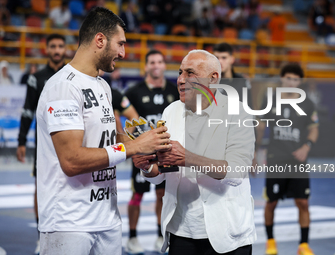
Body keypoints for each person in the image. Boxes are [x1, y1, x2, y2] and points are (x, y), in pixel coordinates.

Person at [35, 7, 170, 255]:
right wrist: (133, 147)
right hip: (69, 223)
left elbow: (106, 139)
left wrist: (141, 149)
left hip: (107, 218)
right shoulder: (62, 87)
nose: (123, 52)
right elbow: (72, 160)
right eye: (120, 44)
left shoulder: (102, 86)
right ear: (100, 40)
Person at [133, 50, 256, 254]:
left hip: (227, 231)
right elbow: (164, 172)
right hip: (181, 229)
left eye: (190, 73)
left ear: (213, 78)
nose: (181, 79)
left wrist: (187, 158)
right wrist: (147, 167)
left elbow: (236, 172)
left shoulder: (239, 112)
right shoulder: (171, 111)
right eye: (180, 72)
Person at [256, 63, 319, 255]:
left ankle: (304, 244)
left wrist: (306, 146)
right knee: (271, 202)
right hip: (276, 159)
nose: (291, 82)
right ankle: (270, 241)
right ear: (282, 78)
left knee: (303, 203)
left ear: (300, 82)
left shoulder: (307, 103)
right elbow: (260, 125)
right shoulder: (270, 99)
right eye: (288, 78)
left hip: (297, 161)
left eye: (296, 79)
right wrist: (257, 149)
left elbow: (314, 128)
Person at [124, 49, 179, 253]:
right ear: (146, 66)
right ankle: (132, 237)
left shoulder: (174, 92)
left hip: (165, 151)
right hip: (142, 153)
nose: (156, 65)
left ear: (164, 65)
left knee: (162, 194)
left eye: (159, 61)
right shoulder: (134, 91)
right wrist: (132, 143)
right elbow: (123, 114)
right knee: (137, 196)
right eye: (152, 62)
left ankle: (160, 234)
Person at [16, 33, 66, 255]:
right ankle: (41, 236)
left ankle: (65, 233)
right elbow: (27, 111)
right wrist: (21, 141)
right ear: (47, 49)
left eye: (60, 46)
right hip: (44, 145)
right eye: (53, 46)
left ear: (65, 49)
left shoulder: (71, 75)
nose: (57, 50)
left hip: (69, 143)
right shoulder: (36, 78)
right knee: (41, 188)